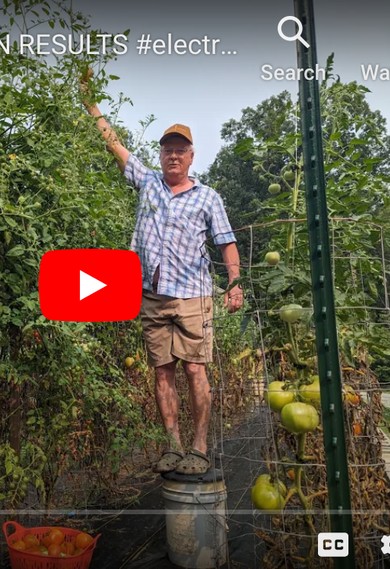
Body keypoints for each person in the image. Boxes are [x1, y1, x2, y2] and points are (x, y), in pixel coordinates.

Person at [80, 70, 244, 475]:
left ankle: (199, 446)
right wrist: (90, 102)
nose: (173, 155)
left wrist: (235, 283)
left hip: (193, 295)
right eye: (167, 149)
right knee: (162, 372)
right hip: (151, 294)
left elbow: (226, 242)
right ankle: (172, 446)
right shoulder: (147, 182)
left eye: (180, 150)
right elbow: (113, 143)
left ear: (191, 156)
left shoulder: (208, 197)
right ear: (160, 155)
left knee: (194, 368)